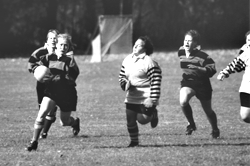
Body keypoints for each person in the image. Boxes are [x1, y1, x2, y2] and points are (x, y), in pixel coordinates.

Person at [26, 33, 80, 151]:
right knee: (41, 114)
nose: (63, 47)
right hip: (52, 92)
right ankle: (34, 142)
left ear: (68, 47)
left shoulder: (70, 61)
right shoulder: (48, 57)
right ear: (56, 45)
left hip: (67, 94)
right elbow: (36, 65)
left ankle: (75, 122)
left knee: (64, 122)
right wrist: (37, 71)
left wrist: (58, 78)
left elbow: (72, 77)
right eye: (61, 45)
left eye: (66, 45)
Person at [119, 36, 162, 147]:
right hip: (132, 95)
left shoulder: (149, 62)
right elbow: (122, 76)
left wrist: (153, 99)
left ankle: (153, 115)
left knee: (142, 120)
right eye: (135, 44)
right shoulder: (127, 59)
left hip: (146, 97)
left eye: (139, 45)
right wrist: (125, 84)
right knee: (130, 119)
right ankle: (134, 142)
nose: (135, 46)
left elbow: (156, 80)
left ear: (145, 48)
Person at [178, 29, 220, 139]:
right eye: (185, 40)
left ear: (196, 43)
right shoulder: (181, 51)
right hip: (188, 82)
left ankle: (215, 129)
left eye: (190, 41)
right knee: (183, 100)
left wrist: (199, 69)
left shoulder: (203, 56)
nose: (186, 43)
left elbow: (212, 69)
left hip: (203, 84)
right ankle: (191, 124)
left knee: (208, 110)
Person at [28, 29, 59, 139]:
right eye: (51, 38)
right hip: (41, 85)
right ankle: (45, 126)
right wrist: (37, 70)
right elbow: (31, 63)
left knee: (51, 111)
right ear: (47, 40)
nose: (53, 40)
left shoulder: (61, 52)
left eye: (55, 38)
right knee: (42, 109)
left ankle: (44, 133)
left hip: (55, 85)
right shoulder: (40, 52)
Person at [217, 32, 250, 124]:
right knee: (245, 116)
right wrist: (224, 72)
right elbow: (236, 64)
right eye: (248, 40)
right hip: (247, 88)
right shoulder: (246, 52)